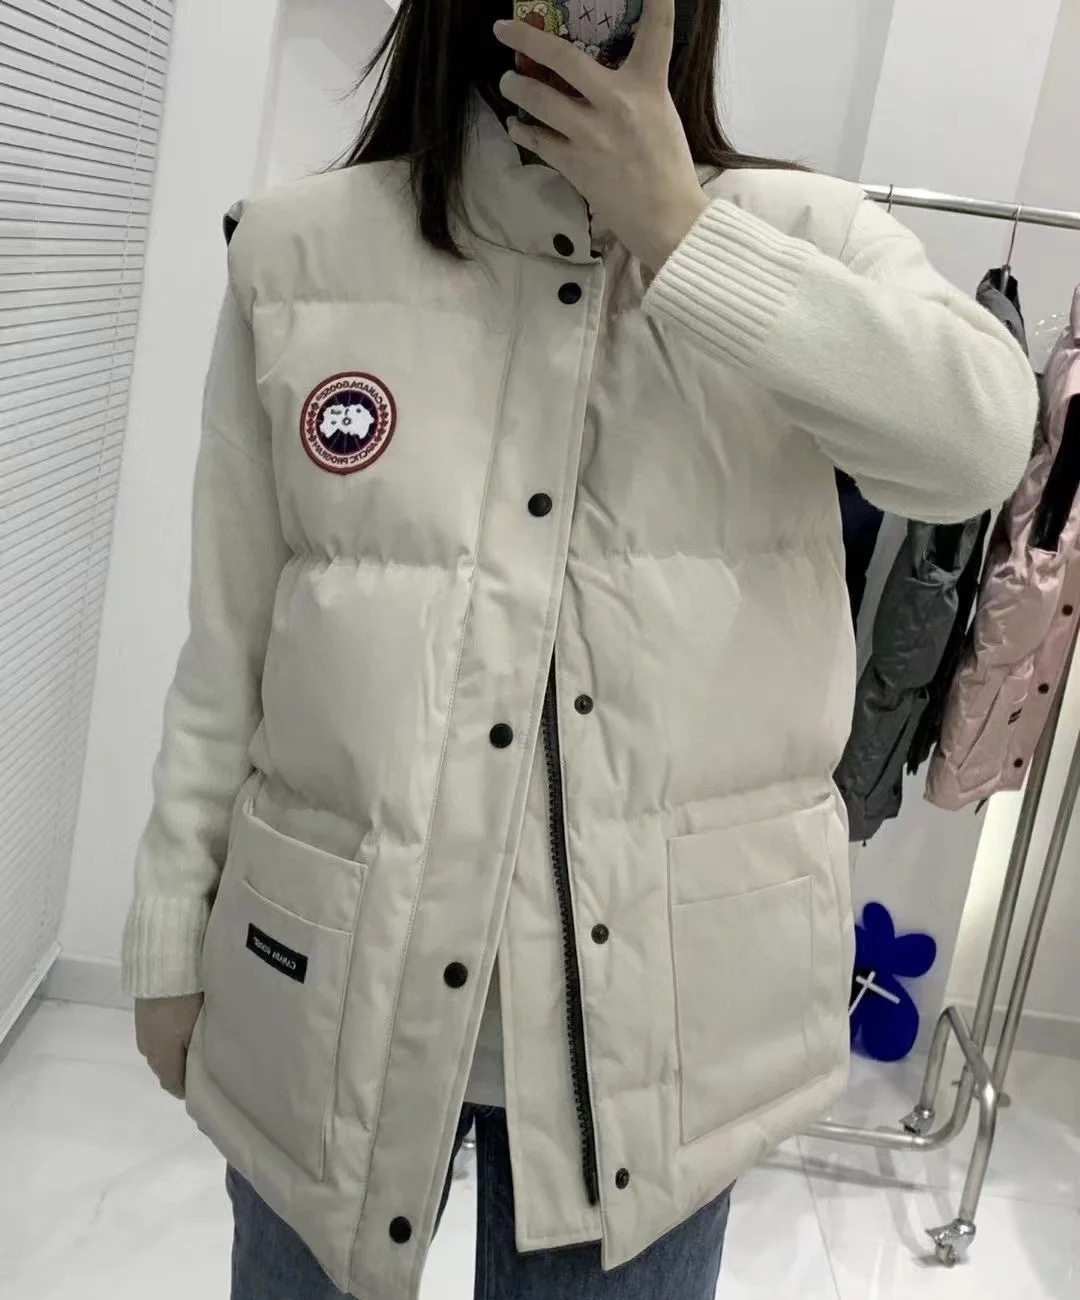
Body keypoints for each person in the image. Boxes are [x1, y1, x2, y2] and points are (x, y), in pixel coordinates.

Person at [125, 1, 1037, 1297]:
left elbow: (979, 446)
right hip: (327, 991)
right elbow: (230, 641)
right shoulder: (299, 251)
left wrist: (679, 231)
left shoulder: (800, 235)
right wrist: (171, 934)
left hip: (660, 1046)